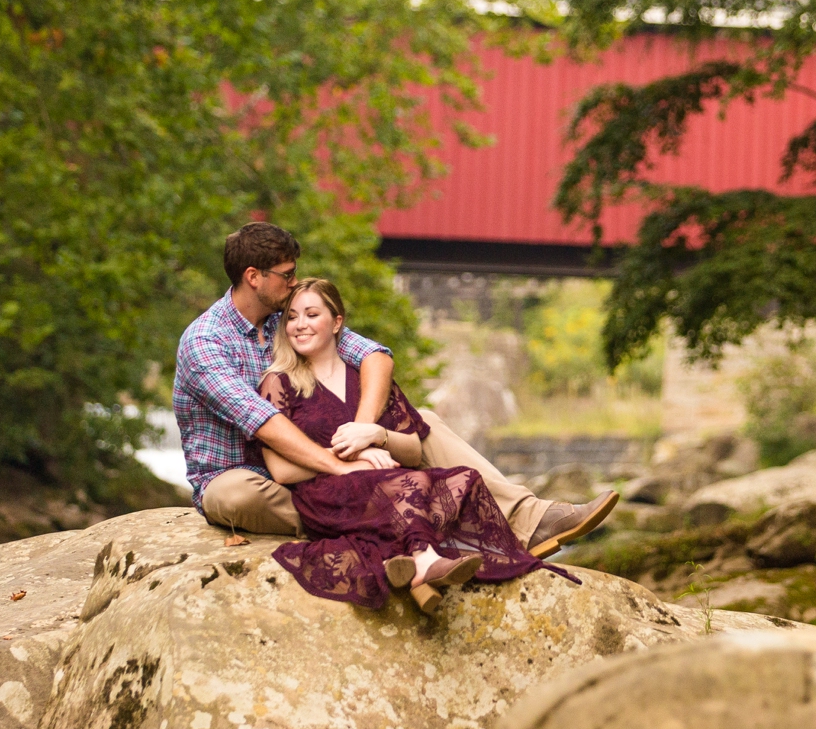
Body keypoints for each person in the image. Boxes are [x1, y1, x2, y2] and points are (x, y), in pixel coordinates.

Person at [174, 222, 617, 556]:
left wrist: (364, 432)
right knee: (235, 495)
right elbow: (265, 423)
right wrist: (345, 468)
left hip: (319, 465)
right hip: (251, 476)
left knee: (427, 421)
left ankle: (531, 519)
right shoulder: (205, 342)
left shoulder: (287, 318)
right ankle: (415, 519)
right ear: (254, 276)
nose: (294, 283)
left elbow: (375, 355)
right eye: (287, 275)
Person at [257, 278, 567, 611]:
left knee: (462, 478)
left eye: (311, 314)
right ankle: (426, 559)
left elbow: (414, 451)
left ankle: (418, 567)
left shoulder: (365, 377)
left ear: (336, 322)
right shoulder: (279, 383)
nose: (299, 325)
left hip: (384, 486)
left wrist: (377, 436)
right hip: (327, 496)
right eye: (291, 317)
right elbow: (280, 470)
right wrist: (351, 459)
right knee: (414, 485)